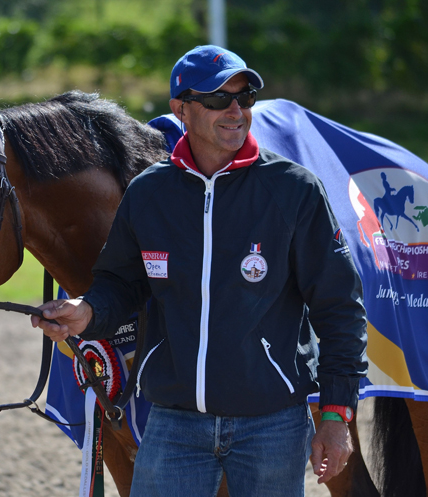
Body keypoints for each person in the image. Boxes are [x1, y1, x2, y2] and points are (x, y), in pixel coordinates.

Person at [32, 45, 368, 497]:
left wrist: (334, 415)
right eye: (216, 99)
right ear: (181, 110)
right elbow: (122, 283)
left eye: (244, 97)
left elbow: (339, 307)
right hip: (173, 423)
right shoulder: (149, 193)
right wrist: (86, 310)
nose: (235, 110)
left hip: (272, 426)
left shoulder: (294, 190)